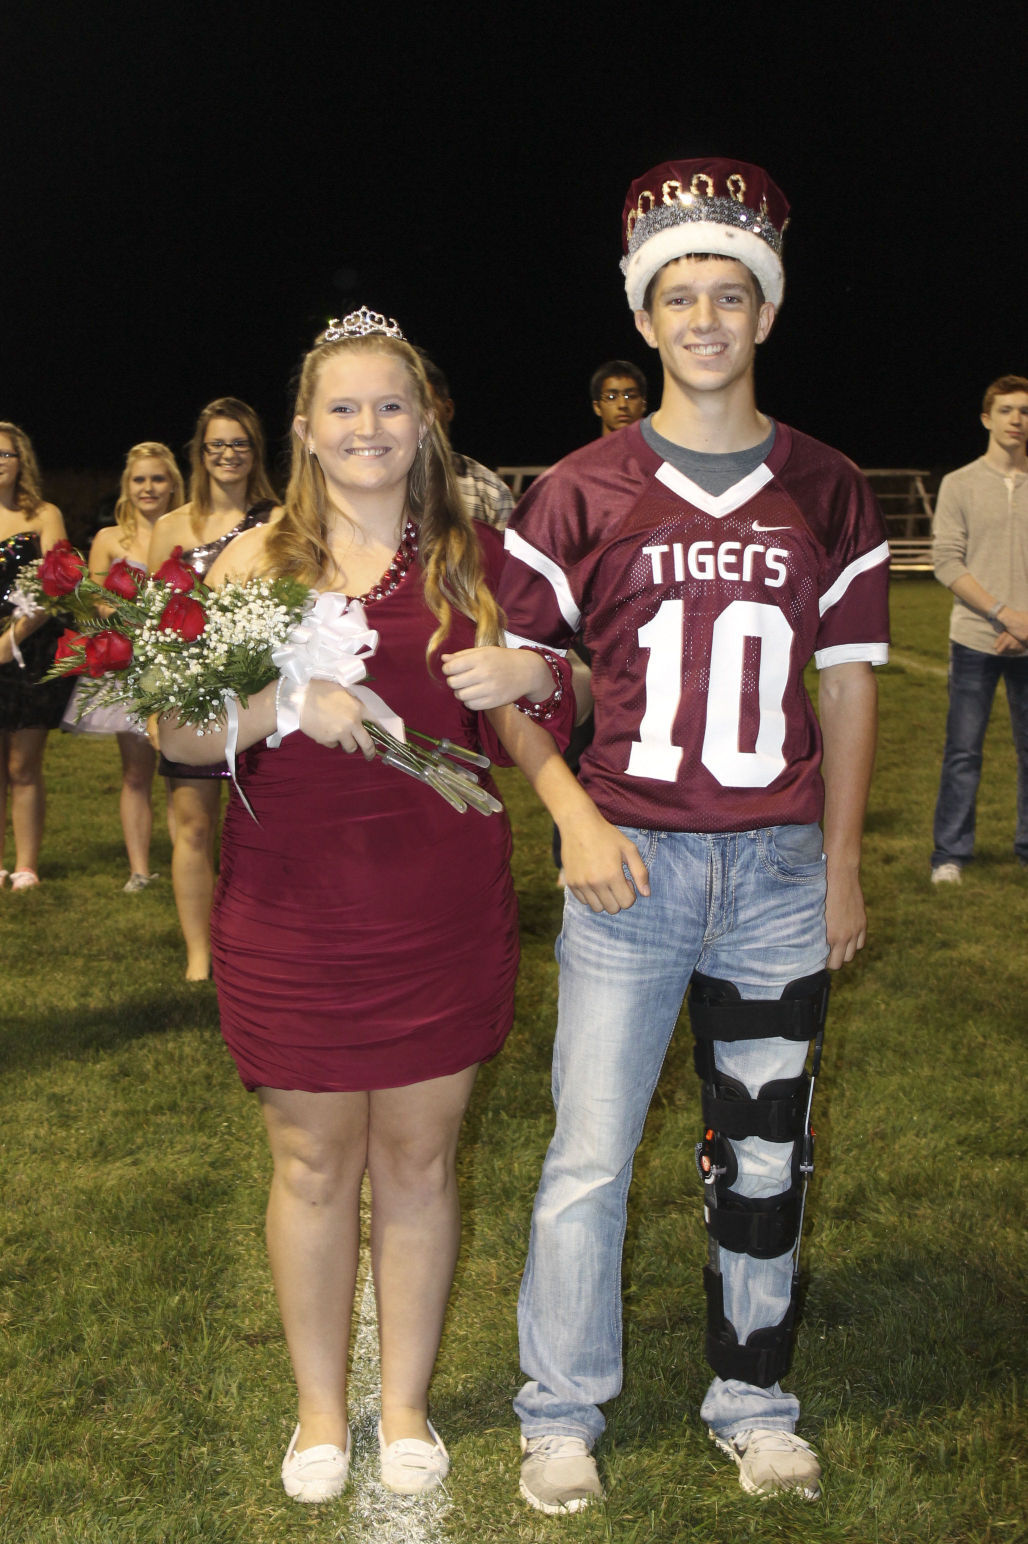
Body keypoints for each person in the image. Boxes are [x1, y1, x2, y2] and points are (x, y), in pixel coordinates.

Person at [445, 157, 890, 1510]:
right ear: (646, 319)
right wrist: (570, 813)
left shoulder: (828, 486)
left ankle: (753, 1395)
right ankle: (560, 1407)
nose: (704, 320)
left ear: (764, 312)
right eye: (679, 297)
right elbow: (522, 686)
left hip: (771, 867)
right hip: (630, 860)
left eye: (729, 295)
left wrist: (844, 860)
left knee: (765, 1150)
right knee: (589, 1150)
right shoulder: (578, 490)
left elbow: (850, 683)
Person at [158, 309, 567, 1503]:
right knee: (310, 1158)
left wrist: (537, 670)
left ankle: (403, 1407)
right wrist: (289, 705)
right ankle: (319, 1411)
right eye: (342, 406)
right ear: (302, 428)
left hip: (439, 904)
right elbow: (181, 734)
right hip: (291, 909)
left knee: (421, 1157)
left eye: (391, 404)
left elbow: (569, 691)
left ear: (425, 420)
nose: (368, 426)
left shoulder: (476, 556)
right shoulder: (250, 562)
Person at [148, 398, 277, 978]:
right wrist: (153, 707)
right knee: (193, 825)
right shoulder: (171, 526)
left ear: (255, 451)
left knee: (264, 826)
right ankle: (200, 955)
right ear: (200, 453)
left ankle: (262, 942)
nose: (228, 454)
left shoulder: (281, 519)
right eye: (216, 444)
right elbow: (152, 620)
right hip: (188, 695)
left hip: (260, 694)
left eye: (239, 443)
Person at [62, 442, 185, 891]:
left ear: (173, 484)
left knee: (178, 769)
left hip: (176, 661)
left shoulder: (187, 533)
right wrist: (128, 616)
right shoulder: (109, 539)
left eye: (157, 478)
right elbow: (94, 599)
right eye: (139, 479)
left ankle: (184, 863)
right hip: (128, 664)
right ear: (126, 486)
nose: (148, 487)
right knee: (135, 771)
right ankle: (139, 869)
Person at [930, 374, 1028, 883]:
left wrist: (1025, 622)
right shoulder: (960, 484)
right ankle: (950, 854)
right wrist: (1002, 614)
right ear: (988, 418)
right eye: (1007, 410)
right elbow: (947, 562)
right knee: (964, 750)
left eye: (1025, 411)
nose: (1017, 420)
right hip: (975, 638)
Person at [0, 422, 73, 891]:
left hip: (30, 649)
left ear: (21, 460)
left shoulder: (45, 513)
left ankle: (26, 865)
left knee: (22, 766)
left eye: (5, 454)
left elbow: (59, 583)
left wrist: (10, 641)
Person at [419, 356, 515, 527]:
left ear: (448, 410)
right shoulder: (367, 479)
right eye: (397, 407)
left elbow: (508, 553)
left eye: (425, 406)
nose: (416, 418)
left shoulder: (490, 490)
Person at [590, 359, 648, 436]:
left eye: (631, 396)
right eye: (611, 397)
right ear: (597, 407)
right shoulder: (589, 448)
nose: (623, 405)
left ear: (643, 404)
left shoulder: (661, 447)